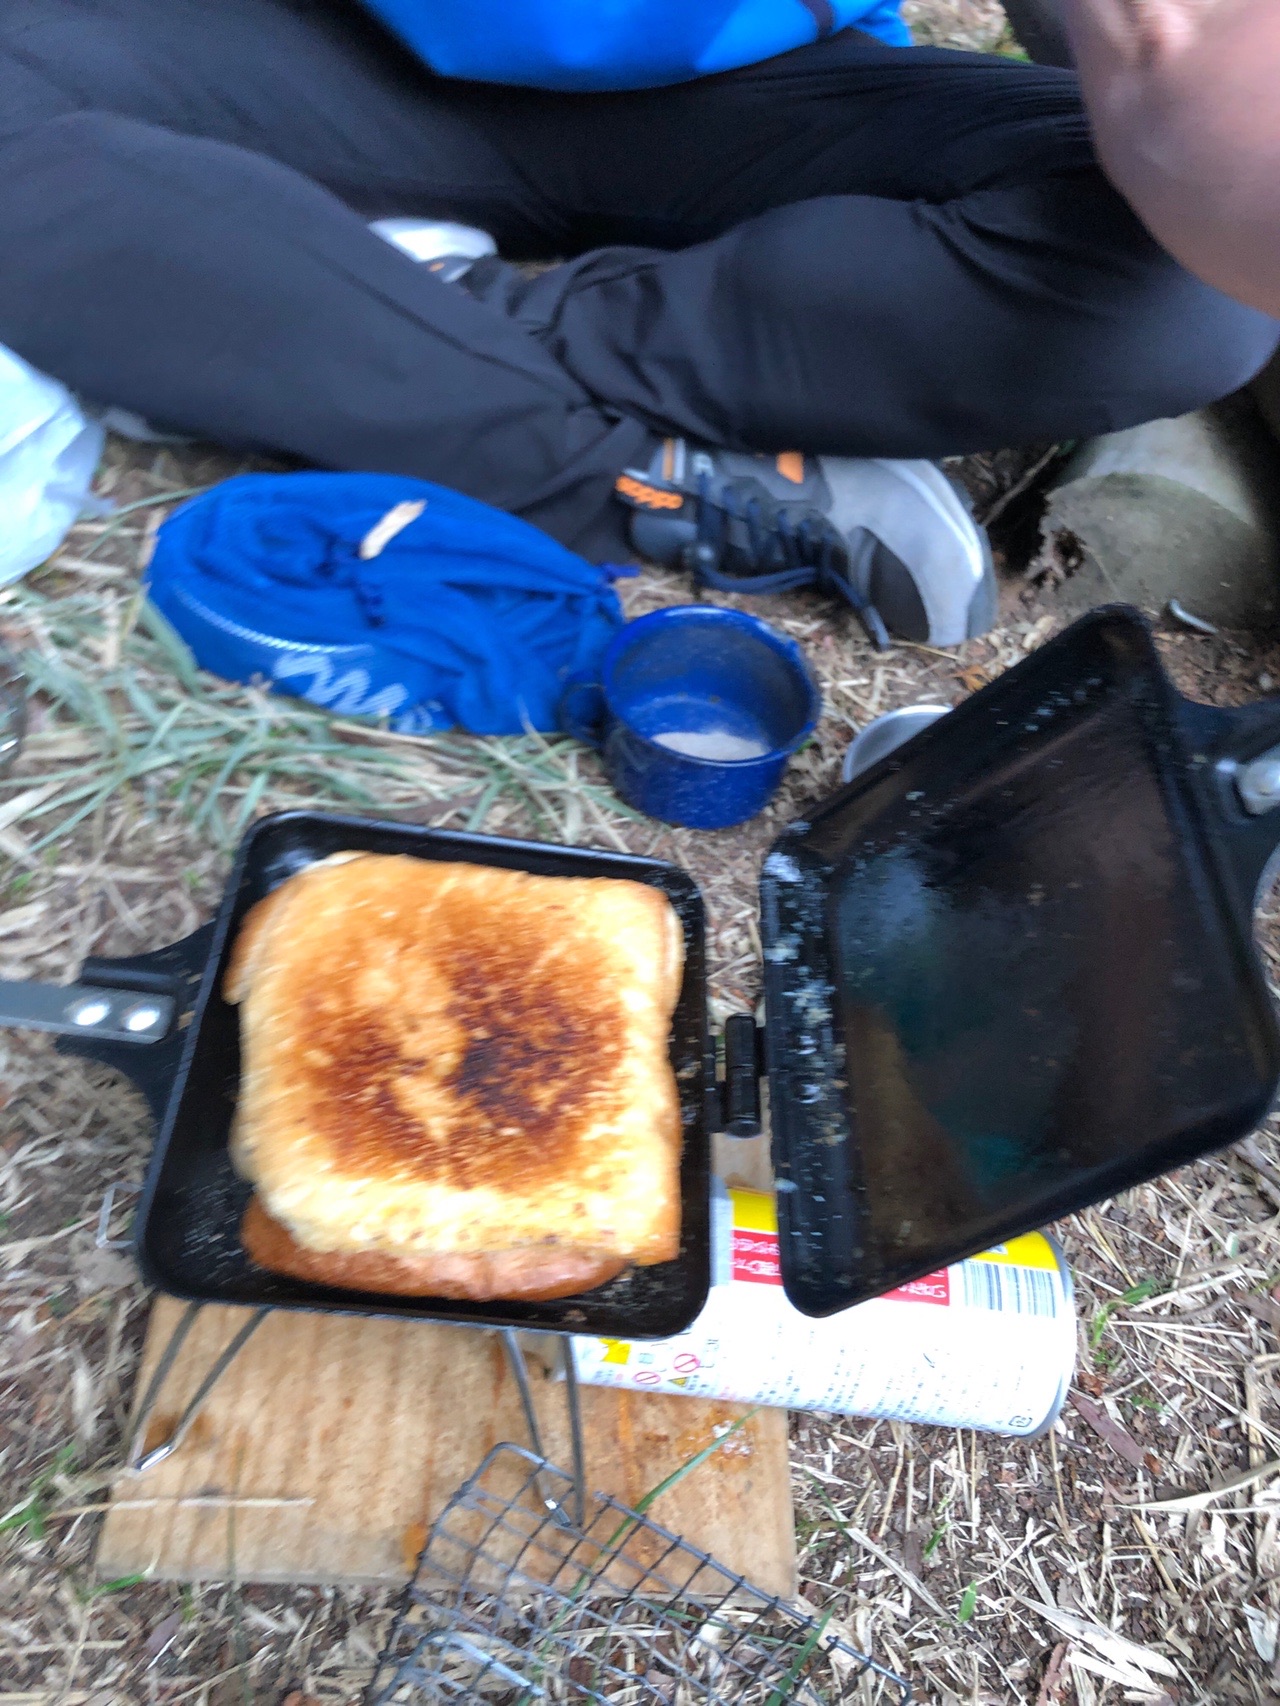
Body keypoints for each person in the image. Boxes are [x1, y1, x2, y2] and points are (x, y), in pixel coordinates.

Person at [0, 0, 1274, 646]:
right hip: (329, 45)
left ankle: (381, 310)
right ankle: (617, 475)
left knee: (1181, 287)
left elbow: (1185, 71)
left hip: (744, 84)